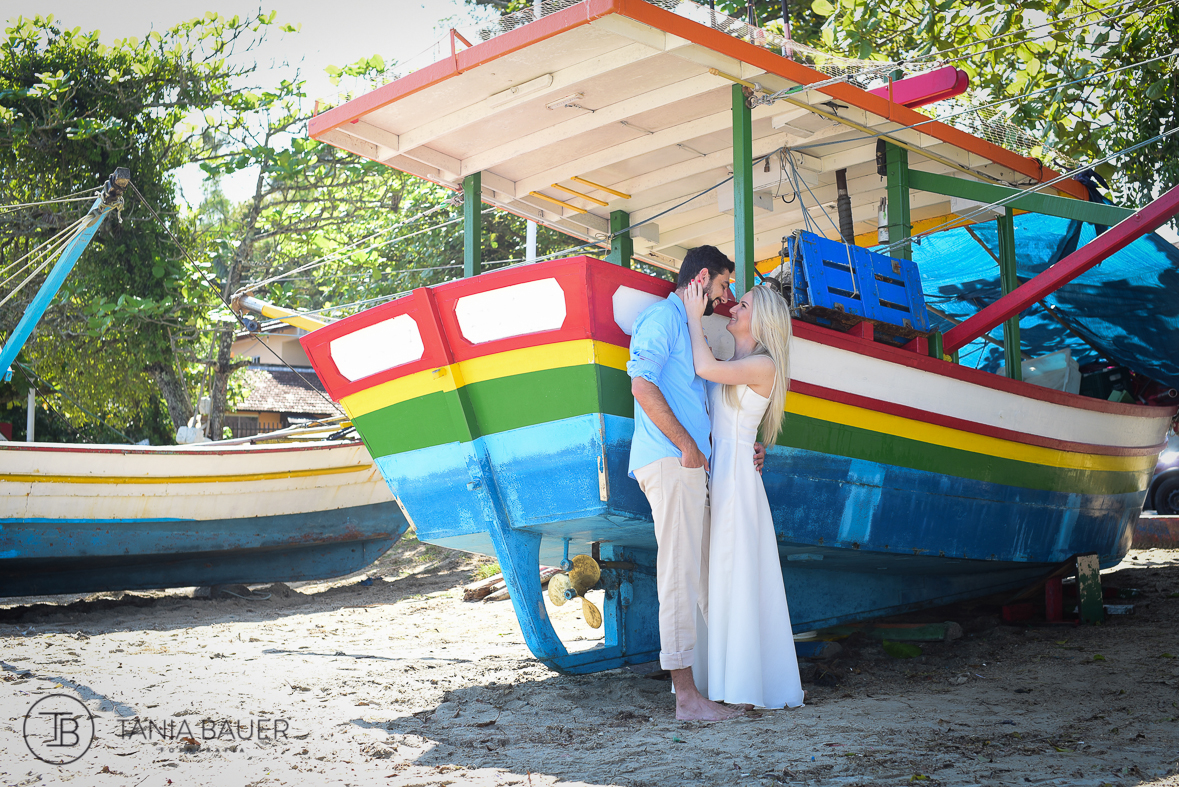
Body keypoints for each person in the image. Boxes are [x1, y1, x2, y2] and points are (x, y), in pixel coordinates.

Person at [626, 245, 747, 722]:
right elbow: (642, 384)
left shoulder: (688, 324)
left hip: (690, 466)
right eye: (722, 285)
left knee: (705, 575)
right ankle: (686, 699)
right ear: (701, 278)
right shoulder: (663, 318)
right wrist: (687, 447)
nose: (727, 296)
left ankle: (716, 683)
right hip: (673, 462)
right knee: (679, 574)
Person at [681, 279, 805, 710]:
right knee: (719, 573)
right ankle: (724, 680)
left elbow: (703, 369)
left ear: (762, 319)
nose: (733, 308)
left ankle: (742, 685)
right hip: (724, 475)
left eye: (743, 305)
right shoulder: (739, 360)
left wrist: (693, 317)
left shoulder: (762, 364)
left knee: (733, 573)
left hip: (736, 485)